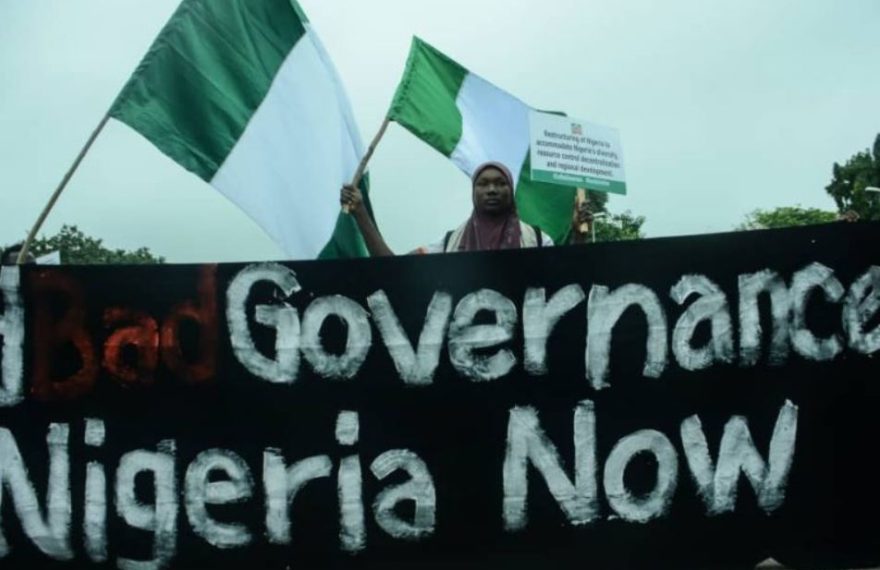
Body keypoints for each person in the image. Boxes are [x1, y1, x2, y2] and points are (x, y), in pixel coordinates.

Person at [340, 161, 593, 256]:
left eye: (499, 183)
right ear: (473, 193)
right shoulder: (448, 245)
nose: (491, 190)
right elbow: (392, 271)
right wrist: (361, 214)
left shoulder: (538, 241)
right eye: (483, 184)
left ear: (511, 190)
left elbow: (568, 283)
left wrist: (579, 235)